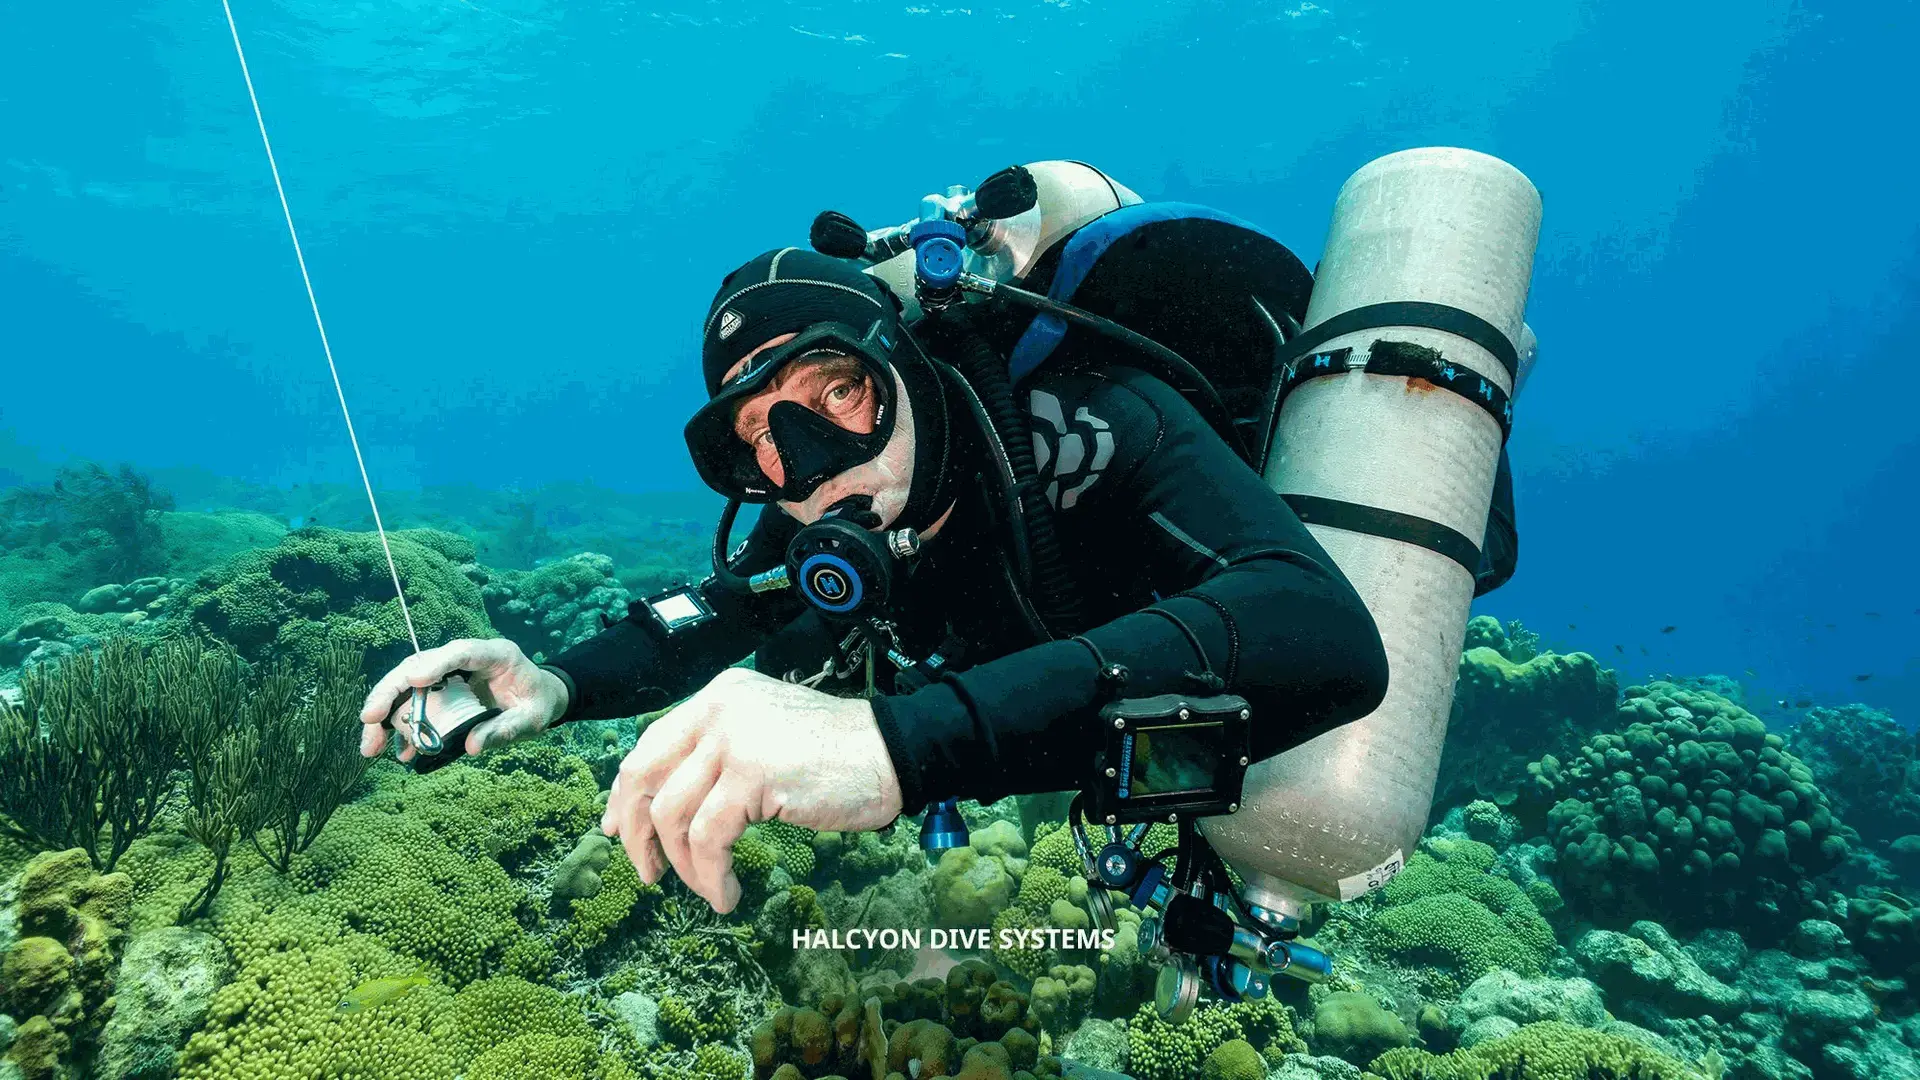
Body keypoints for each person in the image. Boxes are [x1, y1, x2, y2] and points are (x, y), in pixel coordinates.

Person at [359, 248, 1392, 914]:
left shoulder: (1089, 428)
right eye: (758, 439)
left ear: (902, 361)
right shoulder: (810, 519)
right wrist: (556, 683)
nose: (806, 466)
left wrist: (892, 745)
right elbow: (712, 615)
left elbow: (1323, 634)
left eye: (835, 392)